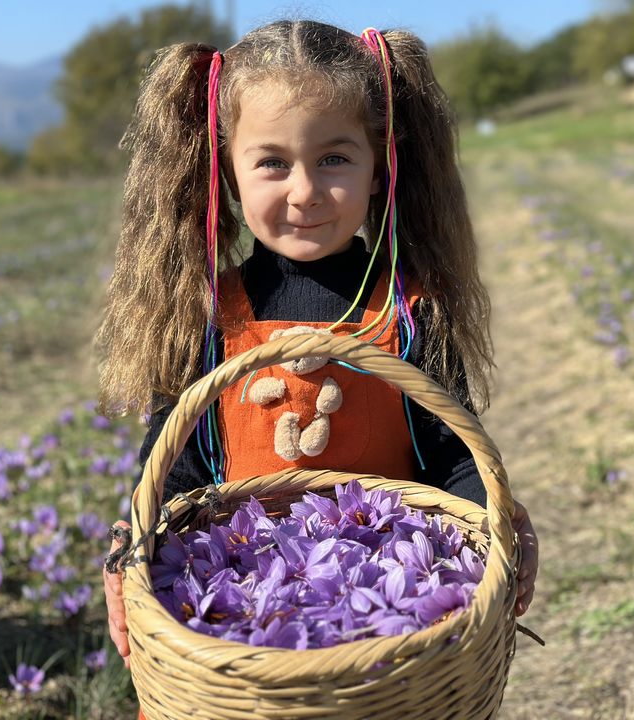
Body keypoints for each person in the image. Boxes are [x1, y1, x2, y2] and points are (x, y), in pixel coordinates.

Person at [98, 19, 539, 676]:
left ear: (379, 165)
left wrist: (495, 520)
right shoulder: (208, 319)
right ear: (226, 169)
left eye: (334, 158)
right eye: (272, 162)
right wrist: (130, 549)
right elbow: (176, 471)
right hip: (245, 630)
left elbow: (453, 460)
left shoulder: (409, 314)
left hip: (385, 632)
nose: (304, 191)